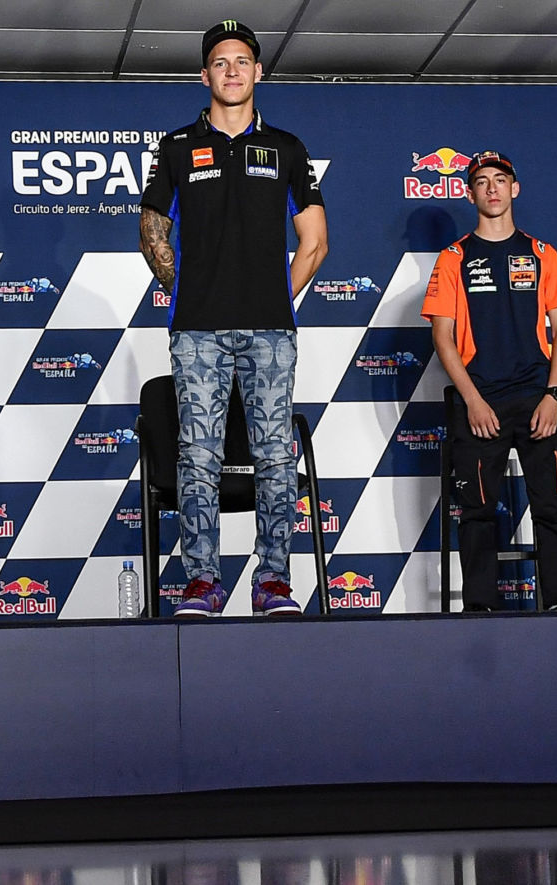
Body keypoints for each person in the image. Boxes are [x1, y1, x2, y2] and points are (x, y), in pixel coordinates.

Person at [139, 20, 328, 617]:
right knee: (197, 456)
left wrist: (275, 297)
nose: (232, 71)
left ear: (258, 71)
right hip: (196, 333)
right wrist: (185, 291)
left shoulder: (289, 148)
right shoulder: (173, 147)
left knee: (275, 457)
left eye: (242, 61)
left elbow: (315, 241)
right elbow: (152, 231)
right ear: (205, 75)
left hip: (271, 333)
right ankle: (201, 583)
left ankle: (273, 582)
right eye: (220, 62)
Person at [420, 151, 557, 612]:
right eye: (482, 182)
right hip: (479, 404)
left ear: (515, 189)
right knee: (477, 514)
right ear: (470, 194)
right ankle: (480, 612)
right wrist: (472, 400)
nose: (492, 188)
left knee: (550, 509)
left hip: (536, 400)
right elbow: (442, 337)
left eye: (500, 180)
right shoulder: (453, 259)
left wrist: (553, 397)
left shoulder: (543, 254)